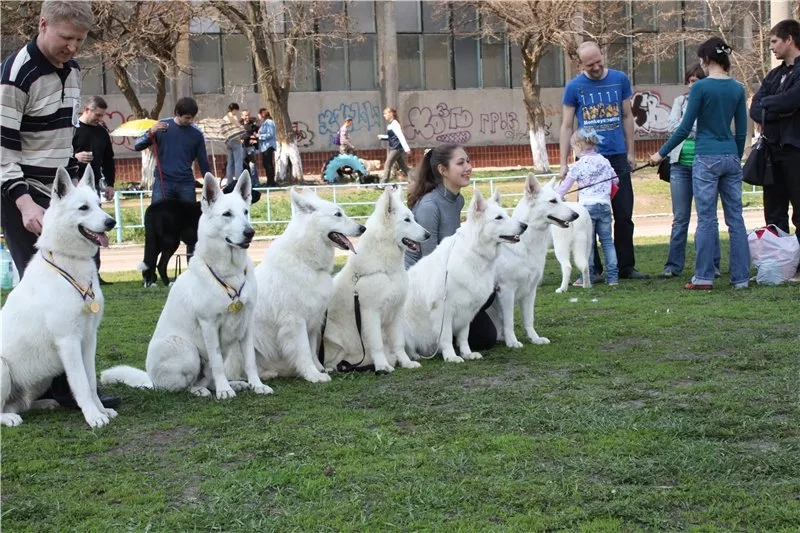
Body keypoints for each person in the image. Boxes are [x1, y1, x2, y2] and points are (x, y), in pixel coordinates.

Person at [0, 0, 119, 410]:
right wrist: (24, 204)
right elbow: (3, 147)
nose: (72, 47)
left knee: (87, 277)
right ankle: (58, 386)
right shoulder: (17, 74)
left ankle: (72, 385)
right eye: (66, 38)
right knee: (47, 285)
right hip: (20, 192)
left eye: (80, 41)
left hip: (60, 194)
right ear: (43, 24)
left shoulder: (72, 70)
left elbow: (62, 136)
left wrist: (79, 191)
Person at [650, 37, 750, 290]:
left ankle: (704, 276)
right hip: (730, 156)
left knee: (707, 219)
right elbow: (740, 132)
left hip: (705, 157)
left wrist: (660, 154)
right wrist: (736, 157)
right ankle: (741, 278)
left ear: (706, 60)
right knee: (735, 219)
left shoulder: (700, 89)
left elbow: (684, 128)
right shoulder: (738, 89)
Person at [560, 41, 648, 280]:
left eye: (599, 61)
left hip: (617, 156)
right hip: (588, 160)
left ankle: (625, 267)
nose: (596, 67)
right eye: (590, 64)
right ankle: (594, 269)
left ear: (602, 55)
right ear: (580, 64)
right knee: (587, 216)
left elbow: (628, 116)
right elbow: (567, 125)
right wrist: (563, 162)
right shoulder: (574, 87)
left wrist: (631, 151)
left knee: (623, 214)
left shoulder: (619, 79)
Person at [405, 144, 496, 350]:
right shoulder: (429, 206)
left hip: (449, 278)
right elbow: (429, 264)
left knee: (490, 292)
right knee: (485, 337)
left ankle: (453, 329)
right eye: (460, 163)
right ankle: (440, 335)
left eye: (468, 161)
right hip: (421, 288)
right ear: (442, 170)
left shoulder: (457, 199)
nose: (468, 167)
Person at [659, 63, 721, 279]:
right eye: (691, 81)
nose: (693, 85)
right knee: (680, 217)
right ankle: (673, 266)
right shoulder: (680, 101)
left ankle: (712, 264)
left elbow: (704, 129)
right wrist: (690, 127)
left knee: (708, 216)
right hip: (679, 165)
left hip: (705, 164)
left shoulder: (711, 102)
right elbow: (671, 126)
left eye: (698, 81)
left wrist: (686, 128)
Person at [749, 19, 800, 282]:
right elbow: (755, 107)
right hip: (771, 152)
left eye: (774, 41)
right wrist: (776, 107)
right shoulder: (775, 75)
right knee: (774, 210)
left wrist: (772, 107)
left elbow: (794, 99)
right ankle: (782, 265)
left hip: (795, 150)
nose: (771, 47)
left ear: (789, 39)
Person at [556, 129, 619, 286]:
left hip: (586, 208)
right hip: (604, 205)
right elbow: (616, 180)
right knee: (607, 242)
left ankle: (587, 276)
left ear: (578, 146)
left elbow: (565, 187)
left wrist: (555, 196)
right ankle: (612, 278)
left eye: (573, 147)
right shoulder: (604, 161)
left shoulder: (577, 165)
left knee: (588, 244)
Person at [72, 95, 116, 285]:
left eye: (103, 115)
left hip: (93, 189)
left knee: (95, 228)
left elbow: (108, 159)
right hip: (72, 190)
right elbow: (59, 155)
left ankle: (94, 274)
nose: (100, 119)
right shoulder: (72, 129)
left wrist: (110, 183)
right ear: (87, 110)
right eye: (98, 115)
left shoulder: (102, 133)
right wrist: (76, 157)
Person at [134, 97, 211, 204]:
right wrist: (151, 132)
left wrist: (210, 184)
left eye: (193, 118)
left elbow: (203, 162)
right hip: (163, 182)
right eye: (187, 118)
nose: (190, 121)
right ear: (177, 113)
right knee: (159, 216)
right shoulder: (161, 126)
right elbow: (137, 145)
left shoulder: (197, 134)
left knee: (189, 217)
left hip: (186, 182)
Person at [379, 107, 411, 183]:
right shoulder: (391, 124)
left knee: (387, 164)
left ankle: (383, 183)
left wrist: (407, 149)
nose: (384, 115)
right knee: (404, 167)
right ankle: (415, 180)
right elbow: (392, 137)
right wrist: (382, 137)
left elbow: (400, 136)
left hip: (396, 148)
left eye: (385, 113)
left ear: (391, 114)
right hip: (395, 148)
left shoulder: (395, 124)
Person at [223, 102, 245, 183]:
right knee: (238, 162)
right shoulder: (233, 117)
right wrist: (242, 127)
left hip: (228, 140)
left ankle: (229, 181)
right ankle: (238, 181)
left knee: (230, 162)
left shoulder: (225, 117)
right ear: (234, 109)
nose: (237, 112)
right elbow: (238, 126)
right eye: (237, 110)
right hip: (236, 140)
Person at [240, 108, 260, 186]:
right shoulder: (239, 124)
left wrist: (255, 139)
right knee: (242, 165)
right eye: (245, 115)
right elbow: (238, 135)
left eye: (248, 115)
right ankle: (244, 183)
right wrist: (240, 139)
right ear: (242, 116)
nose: (247, 117)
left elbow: (256, 134)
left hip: (250, 147)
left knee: (252, 165)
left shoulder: (253, 124)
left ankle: (255, 182)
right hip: (242, 147)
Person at [258, 109, 277, 187]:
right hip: (264, 146)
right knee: (266, 164)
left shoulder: (269, 122)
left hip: (268, 146)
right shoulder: (264, 123)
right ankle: (269, 181)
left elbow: (270, 134)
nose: (258, 116)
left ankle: (271, 182)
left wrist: (259, 136)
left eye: (259, 114)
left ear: (262, 115)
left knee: (268, 164)